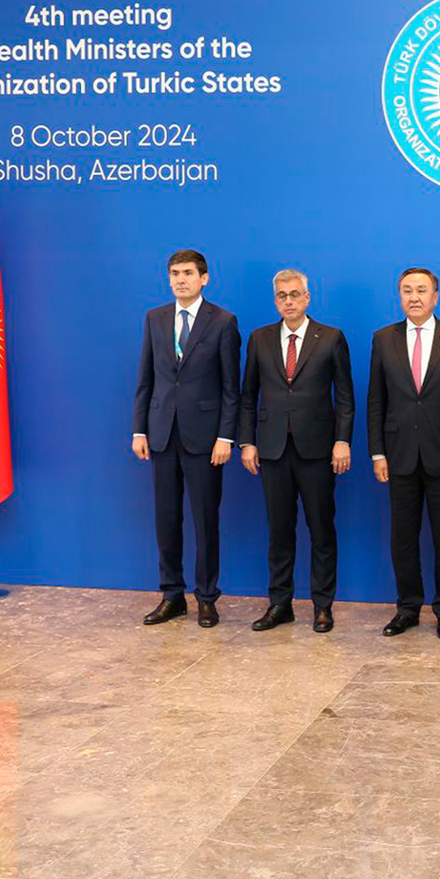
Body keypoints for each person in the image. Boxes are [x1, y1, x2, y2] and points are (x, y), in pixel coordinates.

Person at [367, 267, 440, 639]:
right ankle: (407, 608)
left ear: (435, 296)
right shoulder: (383, 338)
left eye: (421, 290)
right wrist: (376, 453)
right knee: (402, 537)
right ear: (399, 296)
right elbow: (376, 401)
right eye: (406, 290)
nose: (414, 297)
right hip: (398, 454)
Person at [238, 268, 355, 634]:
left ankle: (322, 606)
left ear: (307, 297)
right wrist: (247, 441)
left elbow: (346, 397)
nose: (288, 301)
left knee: (321, 529)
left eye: (294, 295)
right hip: (272, 450)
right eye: (281, 296)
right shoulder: (259, 339)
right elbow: (247, 396)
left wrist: (342, 440)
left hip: (318, 449)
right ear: (276, 301)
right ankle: (280, 604)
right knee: (279, 531)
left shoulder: (331, 337)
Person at [131, 249, 240, 628]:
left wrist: (227, 436)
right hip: (161, 435)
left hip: (205, 439)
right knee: (167, 520)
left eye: (189, 273)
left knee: (205, 521)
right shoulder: (155, 318)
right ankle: (171, 595)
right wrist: (140, 429)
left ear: (204, 278)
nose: (181, 279)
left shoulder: (223, 322)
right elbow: (146, 379)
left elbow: (231, 388)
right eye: (175, 273)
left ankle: (206, 598)